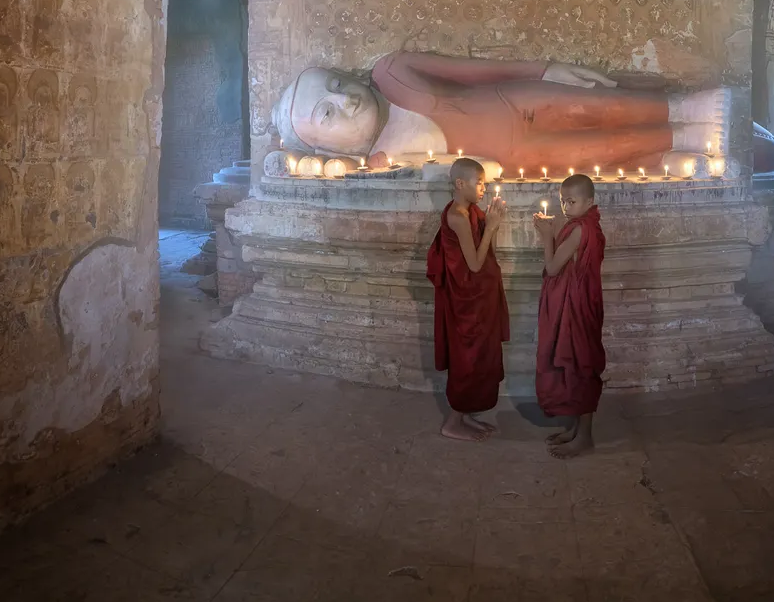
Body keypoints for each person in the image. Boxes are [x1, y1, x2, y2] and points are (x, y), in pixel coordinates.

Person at [272, 52, 730, 174]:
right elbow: (453, 172)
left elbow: (475, 71)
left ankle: (684, 107)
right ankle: (679, 141)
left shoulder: (392, 72)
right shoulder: (380, 164)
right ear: (323, 146)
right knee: (599, 149)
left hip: (515, 99)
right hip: (519, 155)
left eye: (336, 86)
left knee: (603, 104)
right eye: (327, 115)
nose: (345, 99)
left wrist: (547, 68)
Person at [425, 157, 510, 441]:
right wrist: (493, 226)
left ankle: (467, 416)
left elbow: (489, 252)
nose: (484, 188)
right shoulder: (457, 217)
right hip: (466, 302)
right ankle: (453, 422)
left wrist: (492, 225)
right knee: (468, 359)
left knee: (481, 357)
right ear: (461, 184)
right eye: (480, 182)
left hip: (480, 296)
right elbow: (473, 264)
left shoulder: (473, 210)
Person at [533, 172, 606, 458]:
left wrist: (546, 236)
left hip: (577, 307)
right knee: (576, 365)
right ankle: (577, 429)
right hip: (582, 300)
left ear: (589, 201)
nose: (565, 207)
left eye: (572, 201)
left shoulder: (579, 229)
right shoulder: (584, 224)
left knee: (580, 367)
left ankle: (585, 436)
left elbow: (552, 268)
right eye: (563, 201)